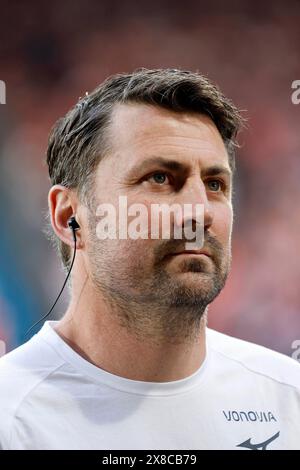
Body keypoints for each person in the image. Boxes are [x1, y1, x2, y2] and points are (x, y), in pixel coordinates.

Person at [0, 68, 299, 450]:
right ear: (68, 216)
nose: (199, 211)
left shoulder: (288, 401)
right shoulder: (11, 416)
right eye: (160, 178)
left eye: (214, 185)